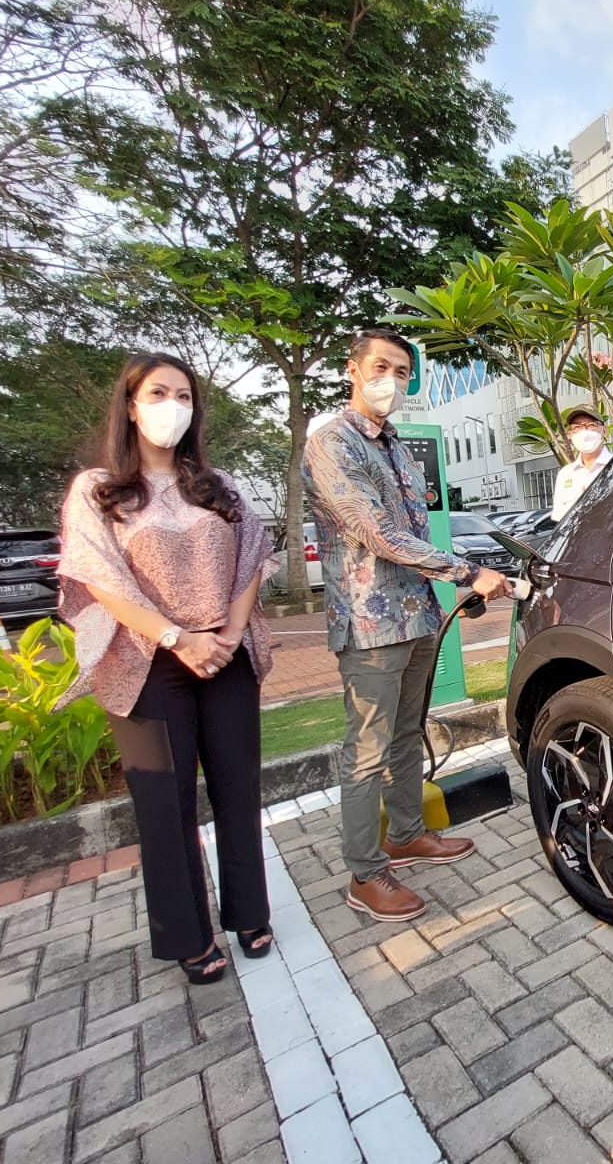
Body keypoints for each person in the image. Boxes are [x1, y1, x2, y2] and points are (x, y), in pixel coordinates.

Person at [57, 352, 277, 984]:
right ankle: (186, 933)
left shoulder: (218, 485)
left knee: (238, 790)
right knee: (165, 805)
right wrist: (179, 638)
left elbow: (251, 556)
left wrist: (230, 633)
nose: (172, 405)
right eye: (158, 393)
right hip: (146, 662)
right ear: (131, 405)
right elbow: (101, 579)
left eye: (183, 394)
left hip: (226, 656)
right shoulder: (98, 490)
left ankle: (250, 912)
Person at [303, 329, 509, 922]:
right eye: (380, 366)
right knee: (365, 752)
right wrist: (466, 571)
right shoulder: (332, 443)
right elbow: (377, 534)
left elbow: (414, 531)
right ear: (352, 369)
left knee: (405, 734)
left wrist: (450, 579)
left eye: (400, 370)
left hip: (416, 614)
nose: (390, 379)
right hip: (369, 625)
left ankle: (408, 834)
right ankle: (365, 873)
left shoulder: (396, 445)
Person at [550, 405, 612, 522]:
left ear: (604, 430)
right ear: (570, 434)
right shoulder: (565, 475)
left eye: (591, 425)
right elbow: (559, 519)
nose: (584, 431)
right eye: (577, 427)